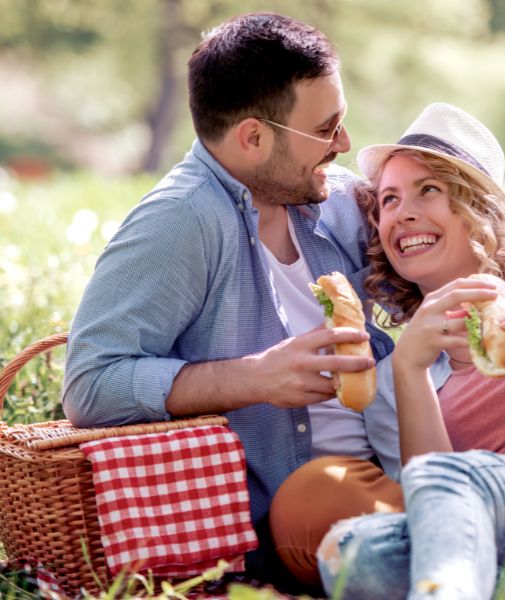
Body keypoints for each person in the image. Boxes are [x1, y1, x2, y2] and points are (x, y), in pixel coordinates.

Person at [61, 12, 400, 587]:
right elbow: (90, 385)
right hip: (290, 514)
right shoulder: (181, 221)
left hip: (392, 465)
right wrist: (256, 378)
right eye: (327, 128)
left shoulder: (334, 199)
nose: (344, 144)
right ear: (253, 137)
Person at [314, 103, 505, 599]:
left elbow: (443, 489)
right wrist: (409, 368)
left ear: (479, 207)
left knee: (450, 487)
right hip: (501, 538)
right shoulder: (391, 377)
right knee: (353, 552)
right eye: (388, 200)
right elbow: (430, 518)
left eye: (429, 190)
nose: (402, 213)